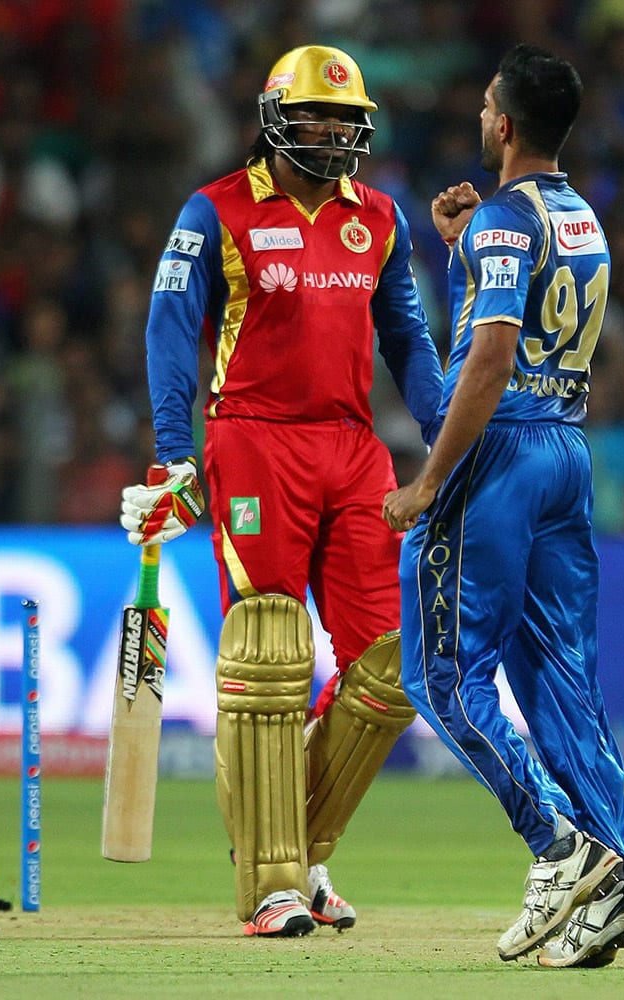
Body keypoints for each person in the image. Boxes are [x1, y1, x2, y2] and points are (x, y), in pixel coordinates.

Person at [120, 45, 443, 937]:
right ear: (275, 120)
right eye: (316, 118)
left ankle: (303, 856)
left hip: (352, 448)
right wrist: (173, 456)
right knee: (268, 656)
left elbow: (408, 340)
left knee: (390, 659)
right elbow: (169, 328)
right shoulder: (215, 208)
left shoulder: (377, 216)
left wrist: (447, 442)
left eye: (348, 121)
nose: (335, 133)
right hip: (253, 442)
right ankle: (270, 885)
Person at [382, 43, 624, 968]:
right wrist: (466, 245)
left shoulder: (504, 219)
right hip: (564, 453)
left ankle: (559, 850)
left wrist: (426, 482)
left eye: (488, 103)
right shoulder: (579, 215)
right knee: (560, 681)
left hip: (497, 455)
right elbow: (532, 314)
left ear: (501, 122)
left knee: (443, 675)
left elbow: (493, 357)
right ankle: (612, 889)